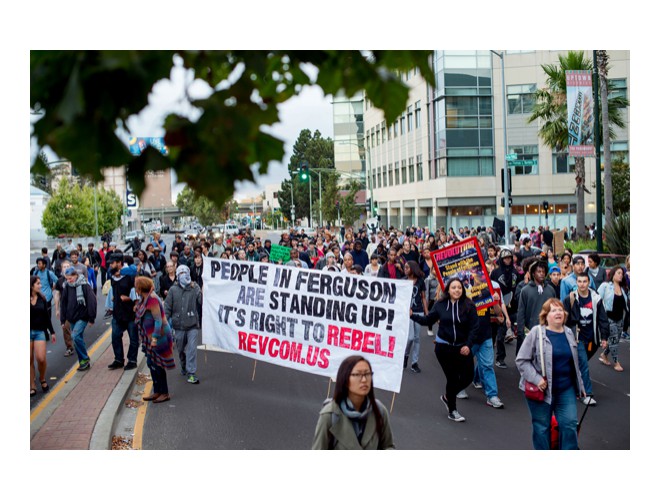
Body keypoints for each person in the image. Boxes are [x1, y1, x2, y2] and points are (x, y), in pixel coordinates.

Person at [516, 298, 585, 450]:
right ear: (546, 315)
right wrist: (537, 379)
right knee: (542, 429)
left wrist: (580, 384)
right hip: (542, 391)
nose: (558, 313)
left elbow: (574, 362)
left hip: (565, 390)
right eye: (553, 310)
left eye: (560, 310)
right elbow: (521, 360)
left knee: (570, 425)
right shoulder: (536, 333)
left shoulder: (568, 332)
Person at [411, 278, 479, 422]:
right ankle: (452, 410)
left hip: (463, 348)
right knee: (452, 378)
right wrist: (412, 316)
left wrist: (468, 345)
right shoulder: (440, 305)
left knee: (468, 377)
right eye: (453, 287)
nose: (457, 290)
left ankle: (448, 396)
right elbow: (428, 320)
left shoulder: (469, 305)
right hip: (444, 348)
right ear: (448, 290)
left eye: (459, 287)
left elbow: (474, 327)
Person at [311, 355, 395, 450]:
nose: (364, 380)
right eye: (358, 374)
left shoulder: (379, 411)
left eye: (367, 374)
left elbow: (388, 446)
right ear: (345, 379)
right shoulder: (330, 415)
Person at [563, 272, 610, 406]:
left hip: (592, 339)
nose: (582, 284)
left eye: (584, 281)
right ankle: (586, 394)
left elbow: (602, 319)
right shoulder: (571, 298)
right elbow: (564, 318)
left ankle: (571, 387)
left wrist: (604, 337)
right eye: (579, 281)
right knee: (583, 365)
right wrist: (571, 330)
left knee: (577, 365)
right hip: (578, 338)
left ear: (589, 282)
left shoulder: (596, 298)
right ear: (576, 283)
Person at [135, 276, 175, 404]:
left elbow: (158, 320)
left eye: (136, 286)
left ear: (141, 288)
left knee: (158, 364)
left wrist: (154, 339)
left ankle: (165, 393)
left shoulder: (152, 299)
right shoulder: (144, 298)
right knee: (151, 363)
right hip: (150, 336)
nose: (135, 289)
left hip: (159, 336)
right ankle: (157, 390)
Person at [164, 265, 203, 385]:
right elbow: (167, 308)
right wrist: (165, 325)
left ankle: (191, 373)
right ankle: (183, 364)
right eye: (181, 273)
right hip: (178, 326)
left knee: (192, 349)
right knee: (181, 349)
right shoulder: (173, 290)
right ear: (177, 275)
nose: (183, 275)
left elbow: (202, 301)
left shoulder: (194, 287)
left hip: (192, 325)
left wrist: (204, 291)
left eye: (185, 273)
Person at [59, 267, 96, 371]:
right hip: (72, 318)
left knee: (75, 336)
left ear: (76, 276)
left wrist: (91, 318)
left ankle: (85, 358)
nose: (68, 280)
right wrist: (63, 320)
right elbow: (64, 304)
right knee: (77, 339)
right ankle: (83, 363)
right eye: (67, 278)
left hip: (82, 317)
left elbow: (91, 302)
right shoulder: (67, 286)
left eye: (70, 278)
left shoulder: (84, 285)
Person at [516, 258, 555, 355]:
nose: (541, 273)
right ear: (533, 273)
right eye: (539, 271)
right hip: (530, 331)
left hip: (548, 330)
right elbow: (521, 312)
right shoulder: (525, 290)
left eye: (543, 271)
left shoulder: (550, 290)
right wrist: (521, 332)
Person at [107, 253, 139, 371]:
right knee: (115, 337)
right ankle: (119, 360)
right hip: (117, 312)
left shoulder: (130, 276)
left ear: (119, 263)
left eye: (113, 263)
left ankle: (132, 360)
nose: (110, 265)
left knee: (133, 338)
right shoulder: (113, 277)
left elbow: (138, 292)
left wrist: (129, 299)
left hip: (130, 313)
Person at [597, 266, 629, 372]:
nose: (621, 275)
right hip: (608, 318)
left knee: (615, 340)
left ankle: (604, 355)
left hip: (620, 318)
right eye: (619, 273)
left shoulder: (623, 288)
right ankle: (616, 363)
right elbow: (597, 299)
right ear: (613, 274)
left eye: (622, 273)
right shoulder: (605, 286)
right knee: (614, 340)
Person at [31, 276, 56, 396]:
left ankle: (41, 378)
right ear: (31, 286)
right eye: (38, 284)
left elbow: (46, 316)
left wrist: (52, 332)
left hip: (40, 331)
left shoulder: (42, 298)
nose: (40, 286)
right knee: (29, 360)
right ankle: (32, 384)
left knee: (41, 358)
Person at [404, 260, 427, 373]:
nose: (405, 269)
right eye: (405, 267)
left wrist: (427, 312)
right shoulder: (403, 281)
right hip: (407, 312)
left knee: (417, 338)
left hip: (418, 311)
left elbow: (423, 297)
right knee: (410, 337)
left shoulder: (420, 281)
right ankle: (405, 355)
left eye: (407, 267)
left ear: (412, 269)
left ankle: (414, 362)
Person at [53, 260, 75, 357]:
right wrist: (57, 309)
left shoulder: (75, 278)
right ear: (61, 269)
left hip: (75, 307)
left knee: (75, 328)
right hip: (65, 308)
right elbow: (57, 295)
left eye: (67, 266)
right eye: (64, 267)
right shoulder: (60, 281)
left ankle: (77, 343)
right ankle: (69, 347)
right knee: (65, 327)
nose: (66, 268)